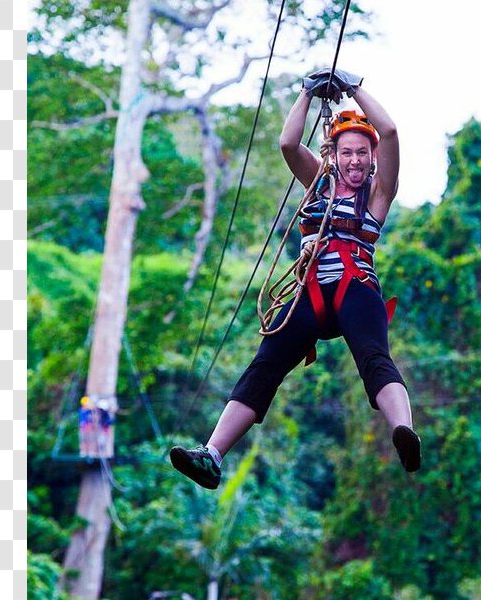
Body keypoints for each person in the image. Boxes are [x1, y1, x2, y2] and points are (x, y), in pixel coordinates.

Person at [170, 70, 420, 490]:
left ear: (372, 158)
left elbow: (390, 131)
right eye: (347, 153)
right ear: (334, 155)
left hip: (354, 287)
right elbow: (288, 143)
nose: (355, 160)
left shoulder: (378, 193)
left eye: (362, 153)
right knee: (265, 363)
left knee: (375, 359)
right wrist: (306, 90)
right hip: (310, 293)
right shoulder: (317, 186)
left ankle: (404, 432)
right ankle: (212, 455)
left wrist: (354, 87)